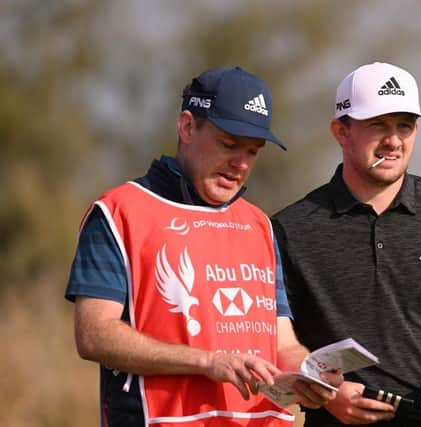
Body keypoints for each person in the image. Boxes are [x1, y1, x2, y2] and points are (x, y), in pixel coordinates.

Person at [65, 66, 342, 427]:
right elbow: (93, 335)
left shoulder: (258, 224)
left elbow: (281, 344)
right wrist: (207, 361)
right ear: (187, 127)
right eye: (228, 144)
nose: (240, 164)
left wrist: (309, 375)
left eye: (252, 151)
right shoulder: (119, 212)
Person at [271, 62, 421, 427]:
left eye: (405, 126)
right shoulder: (291, 227)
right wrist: (326, 394)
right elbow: (282, 343)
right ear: (341, 131)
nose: (394, 140)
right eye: (377, 124)